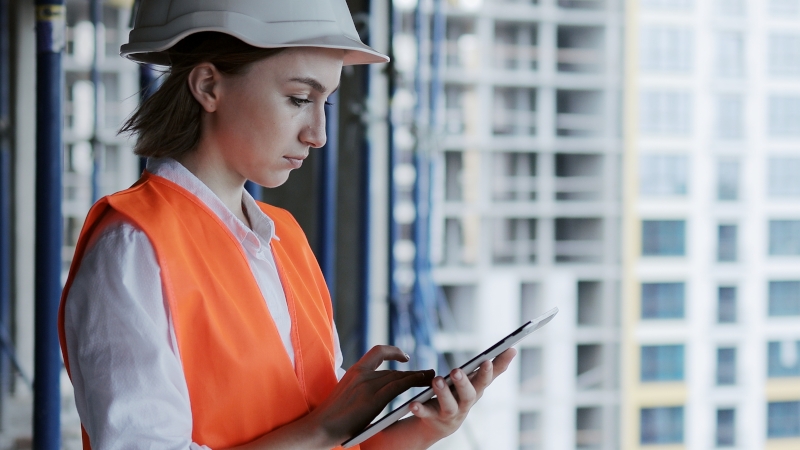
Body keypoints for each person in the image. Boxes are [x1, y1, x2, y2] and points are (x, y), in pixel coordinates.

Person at [57, 1, 516, 449]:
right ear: (208, 86)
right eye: (299, 99)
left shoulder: (283, 238)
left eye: (326, 104)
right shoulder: (135, 246)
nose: (317, 134)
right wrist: (322, 429)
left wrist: (425, 428)